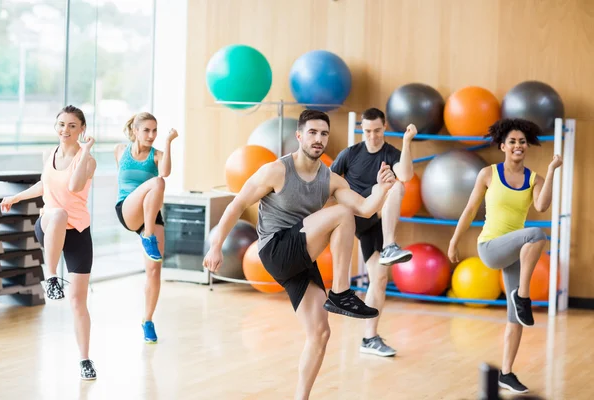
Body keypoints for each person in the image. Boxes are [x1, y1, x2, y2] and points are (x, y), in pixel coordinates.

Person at [203, 109, 396, 400]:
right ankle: (342, 293)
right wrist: (216, 245)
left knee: (320, 334)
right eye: (312, 133)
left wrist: (382, 190)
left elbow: (366, 209)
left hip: (300, 256)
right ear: (299, 136)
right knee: (341, 214)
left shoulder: (329, 179)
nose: (319, 139)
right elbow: (237, 203)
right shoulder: (277, 170)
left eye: (324, 134)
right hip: (275, 248)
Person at [447, 118, 562, 394]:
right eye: (512, 141)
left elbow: (542, 205)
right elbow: (470, 209)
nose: (518, 145)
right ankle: (523, 296)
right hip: (490, 247)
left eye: (522, 141)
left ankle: (506, 373)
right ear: (503, 146)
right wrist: (453, 241)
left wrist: (552, 170)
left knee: (515, 318)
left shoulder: (534, 178)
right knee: (536, 234)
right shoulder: (488, 173)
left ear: (527, 146)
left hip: (514, 251)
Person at [0, 105, 98, 380]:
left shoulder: (87, 160)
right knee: (57, 213)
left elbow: (75, 187)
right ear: (56, 127)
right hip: (50, 225)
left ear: (82, 130)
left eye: (72, 126)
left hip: (78, 231)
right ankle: (52, 276)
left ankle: (85, 359)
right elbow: (44, 186)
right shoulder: (49, 154)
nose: (65, 130)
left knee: (79, 301)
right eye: (61, 124)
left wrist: (87, 151)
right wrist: (15, 198)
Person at [330, 107, 416, 357]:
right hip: (355, 216)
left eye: (377, 131)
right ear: (362, 130)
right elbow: (327, 182)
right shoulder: (351, 154)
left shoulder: (391, 153)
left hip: (376, 222)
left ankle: (369, 338)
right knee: (393, 188)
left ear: (384, 127)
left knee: (378, 278)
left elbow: (406, 174)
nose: (372, 136)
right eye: (367, 131)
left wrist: (407, 142)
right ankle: (390, 246)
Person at [114, 112, 178, 344]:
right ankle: (148, 235)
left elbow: (166, 171)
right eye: (146, 130)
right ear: (135, 131)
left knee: (154, 271)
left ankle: (148, 320)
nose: (152, 135)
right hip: (128, 208)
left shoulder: (158, 155)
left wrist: (169, 143)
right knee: (157, 183)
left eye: (155, 131)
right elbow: (152, 180)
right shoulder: (120, 151)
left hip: (151, 215)